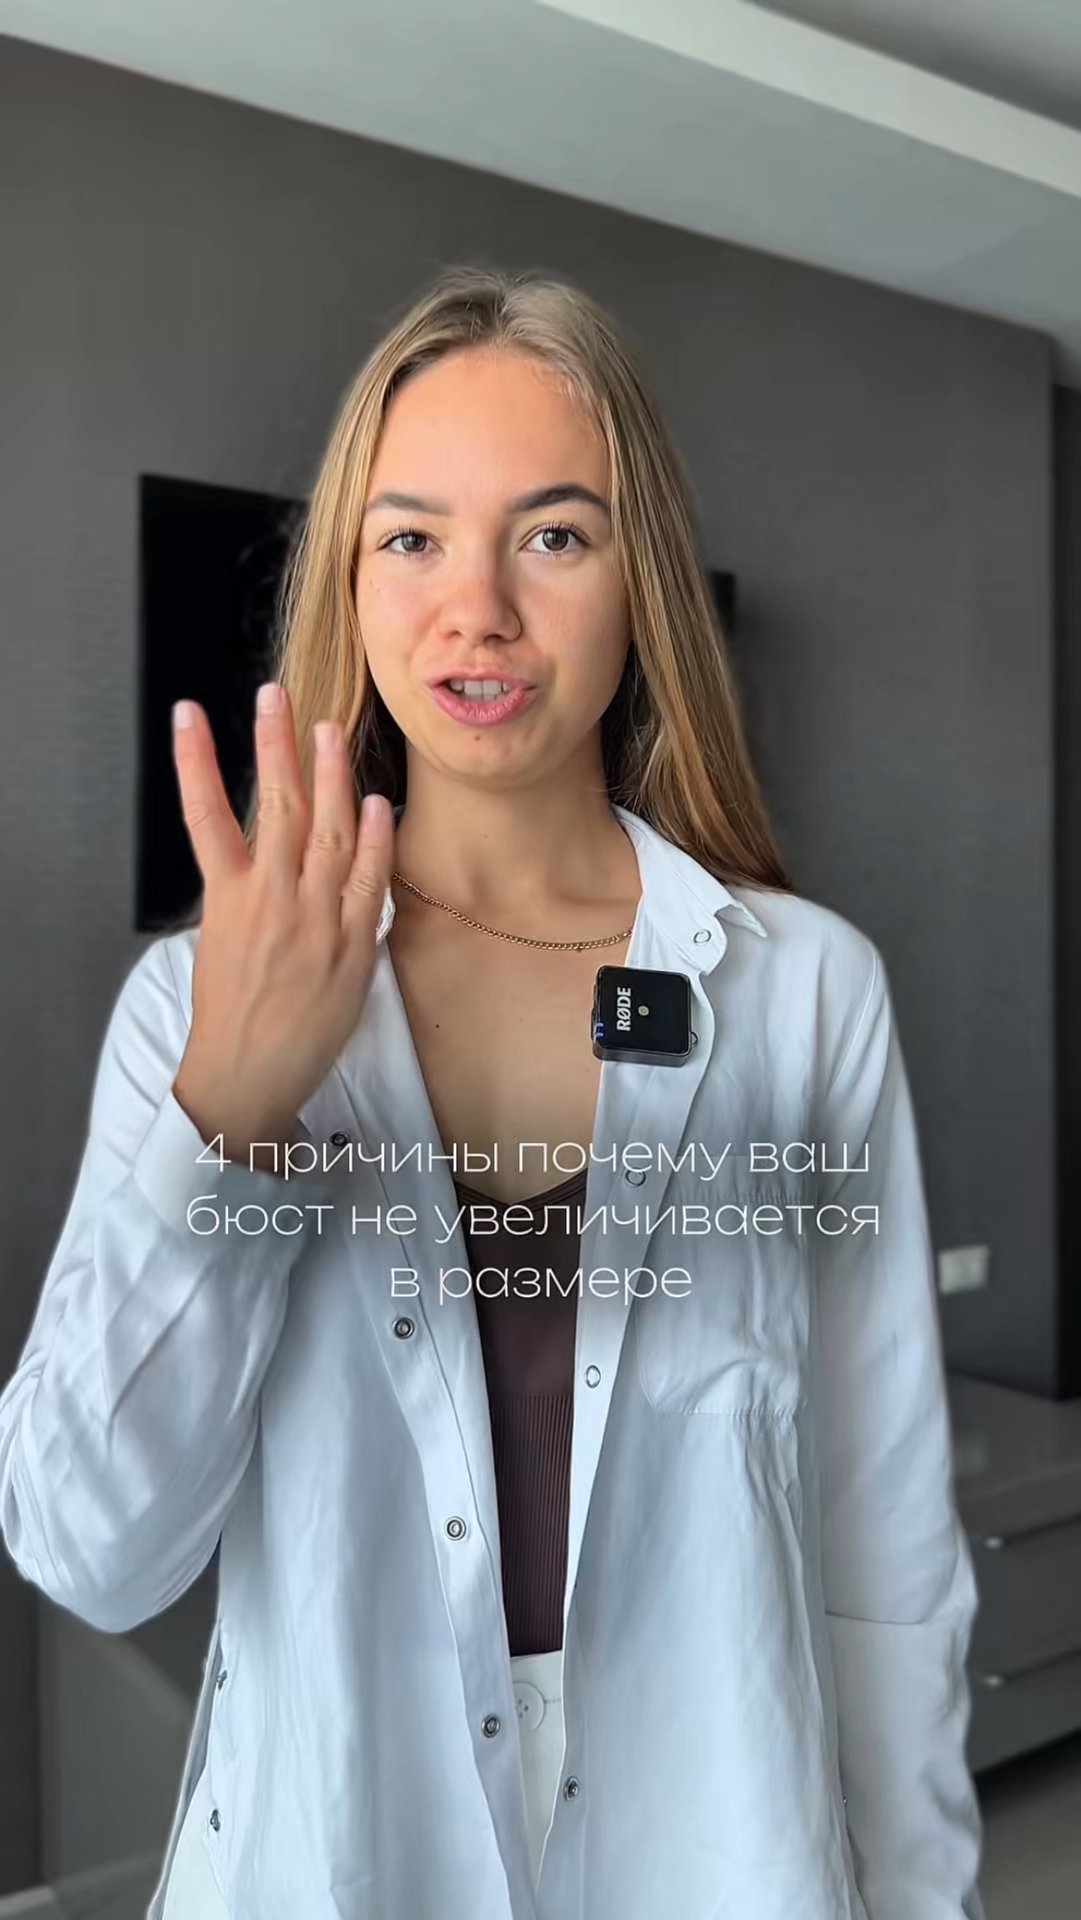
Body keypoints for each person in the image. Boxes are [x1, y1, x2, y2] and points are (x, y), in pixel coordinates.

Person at [0, 264, 985, 1920]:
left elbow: (881, 1545)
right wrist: (232, 1108)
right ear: (350, 578)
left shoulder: (806, 995)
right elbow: (91, 1551)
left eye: (553, 536)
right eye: (411, 538)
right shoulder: (196, 1003)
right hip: (340, 1856)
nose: (478, 609)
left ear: (637, 578)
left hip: (718, 1855)